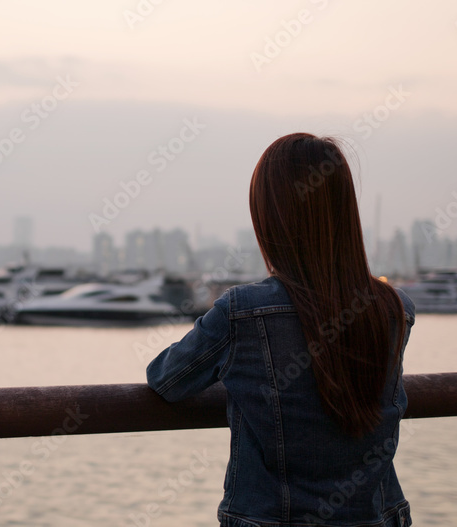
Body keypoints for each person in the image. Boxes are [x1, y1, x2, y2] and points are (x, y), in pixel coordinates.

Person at [146, 133, 416, 526]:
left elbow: (165, 379)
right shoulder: (394, 309)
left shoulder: (242, 312)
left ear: (269, 217)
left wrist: (239, 377)